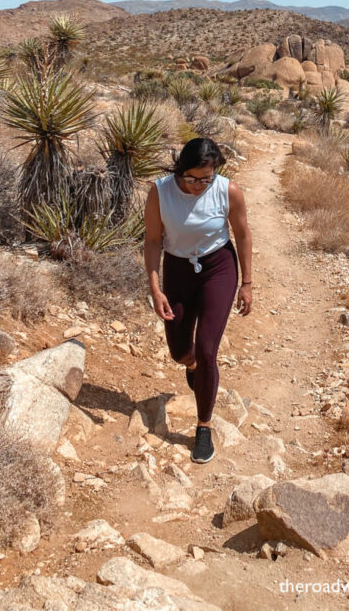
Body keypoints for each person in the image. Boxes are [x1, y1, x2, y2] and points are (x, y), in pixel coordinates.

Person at [143, 137, 253, 463]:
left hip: (218, 266)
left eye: (207, 178)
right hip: (177, 270)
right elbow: (151, 241)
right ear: (181, 170)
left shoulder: (227, 191)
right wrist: (155, 288)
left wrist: (247, 284)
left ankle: (203, 426)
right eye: (192, 178)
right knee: (180, 351)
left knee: (207, 349)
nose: (200, 185)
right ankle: (191, 367)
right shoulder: (160, 192)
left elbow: (243, 234)